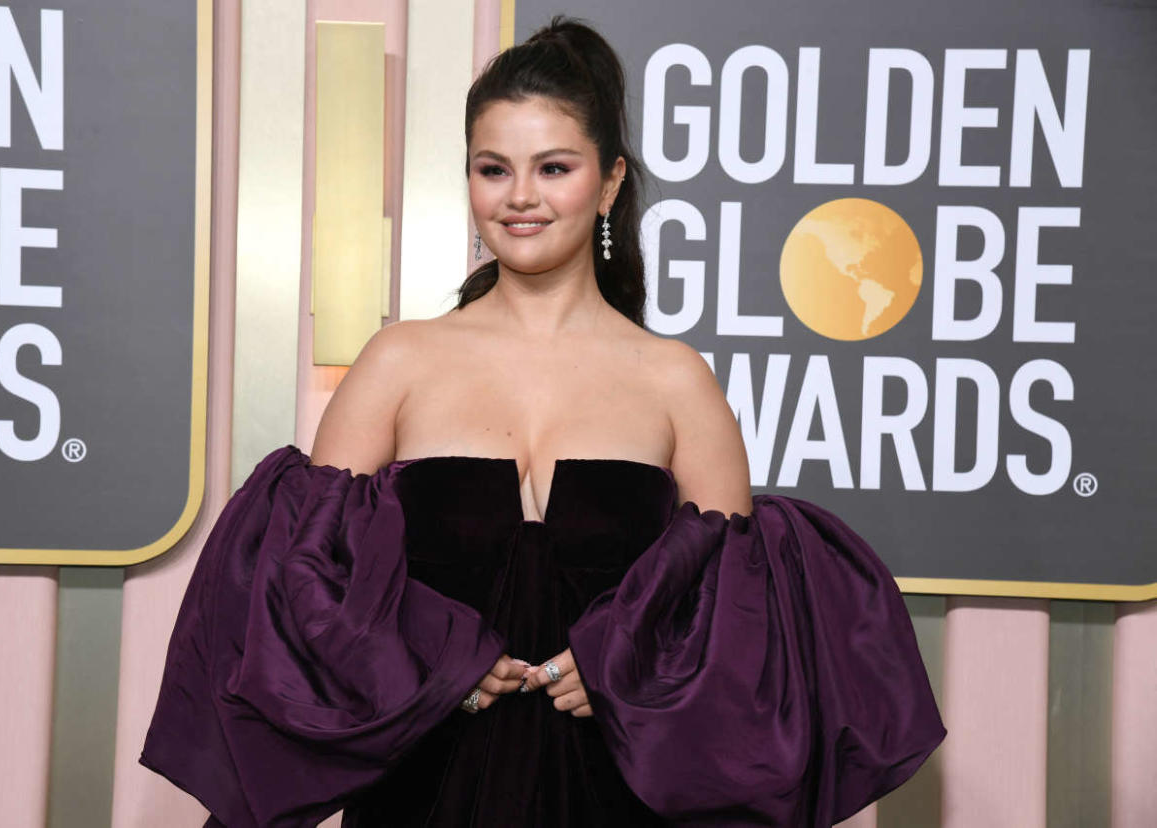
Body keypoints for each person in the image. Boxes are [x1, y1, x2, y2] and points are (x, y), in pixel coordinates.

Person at [139, 16, 945, 828]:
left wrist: (619, 665)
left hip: (616, 796)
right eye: (493, 169)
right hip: (422, 791)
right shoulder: (397, 362)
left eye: (553, 168)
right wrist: (436, 654)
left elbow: (734, 629)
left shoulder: (676, 380)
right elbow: (310, 588)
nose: (520, 197)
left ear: (608, 183)